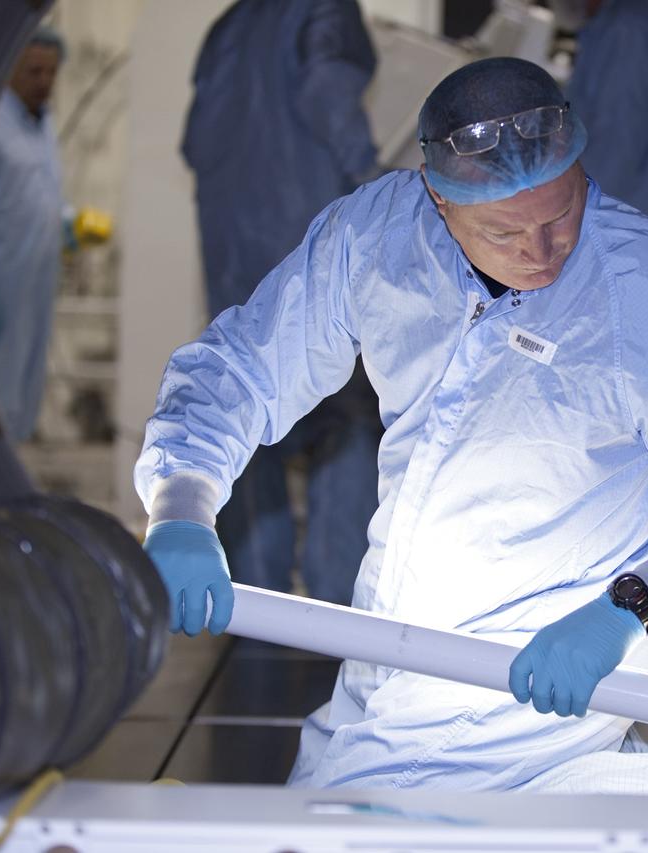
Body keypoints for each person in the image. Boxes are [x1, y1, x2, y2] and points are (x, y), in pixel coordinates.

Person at [139, 57, 648, 794]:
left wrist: (631, 607)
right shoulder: (377, 237)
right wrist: (181, 506)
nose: (540, 251)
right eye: (501, 231)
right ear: (437, 200)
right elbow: (242, 368)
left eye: (560, 215)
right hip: (387, 655)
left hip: (535, 688)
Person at [180, 0, 384, 604]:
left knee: (246, 416)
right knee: (348, 419)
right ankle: (336, 608)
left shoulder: (230, 27)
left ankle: (251, 603)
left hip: (235, 257)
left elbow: (195, 143)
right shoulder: (322, 13)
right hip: (308, 248)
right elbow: (331, 97)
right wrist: (381, 188)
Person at [0, 27, 66, 442]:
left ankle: (10, 476)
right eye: (34, 71)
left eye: (50, 72)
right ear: (10, 69)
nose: (44, 81)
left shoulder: (42, 126)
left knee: (26, 384)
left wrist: (69, 224)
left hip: (36, 284)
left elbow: (37, 195)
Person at [558, 0, 648, 242]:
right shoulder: (605, 28)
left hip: (636, 240)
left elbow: (613, 155)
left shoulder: (629, 28)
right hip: (628, 233)